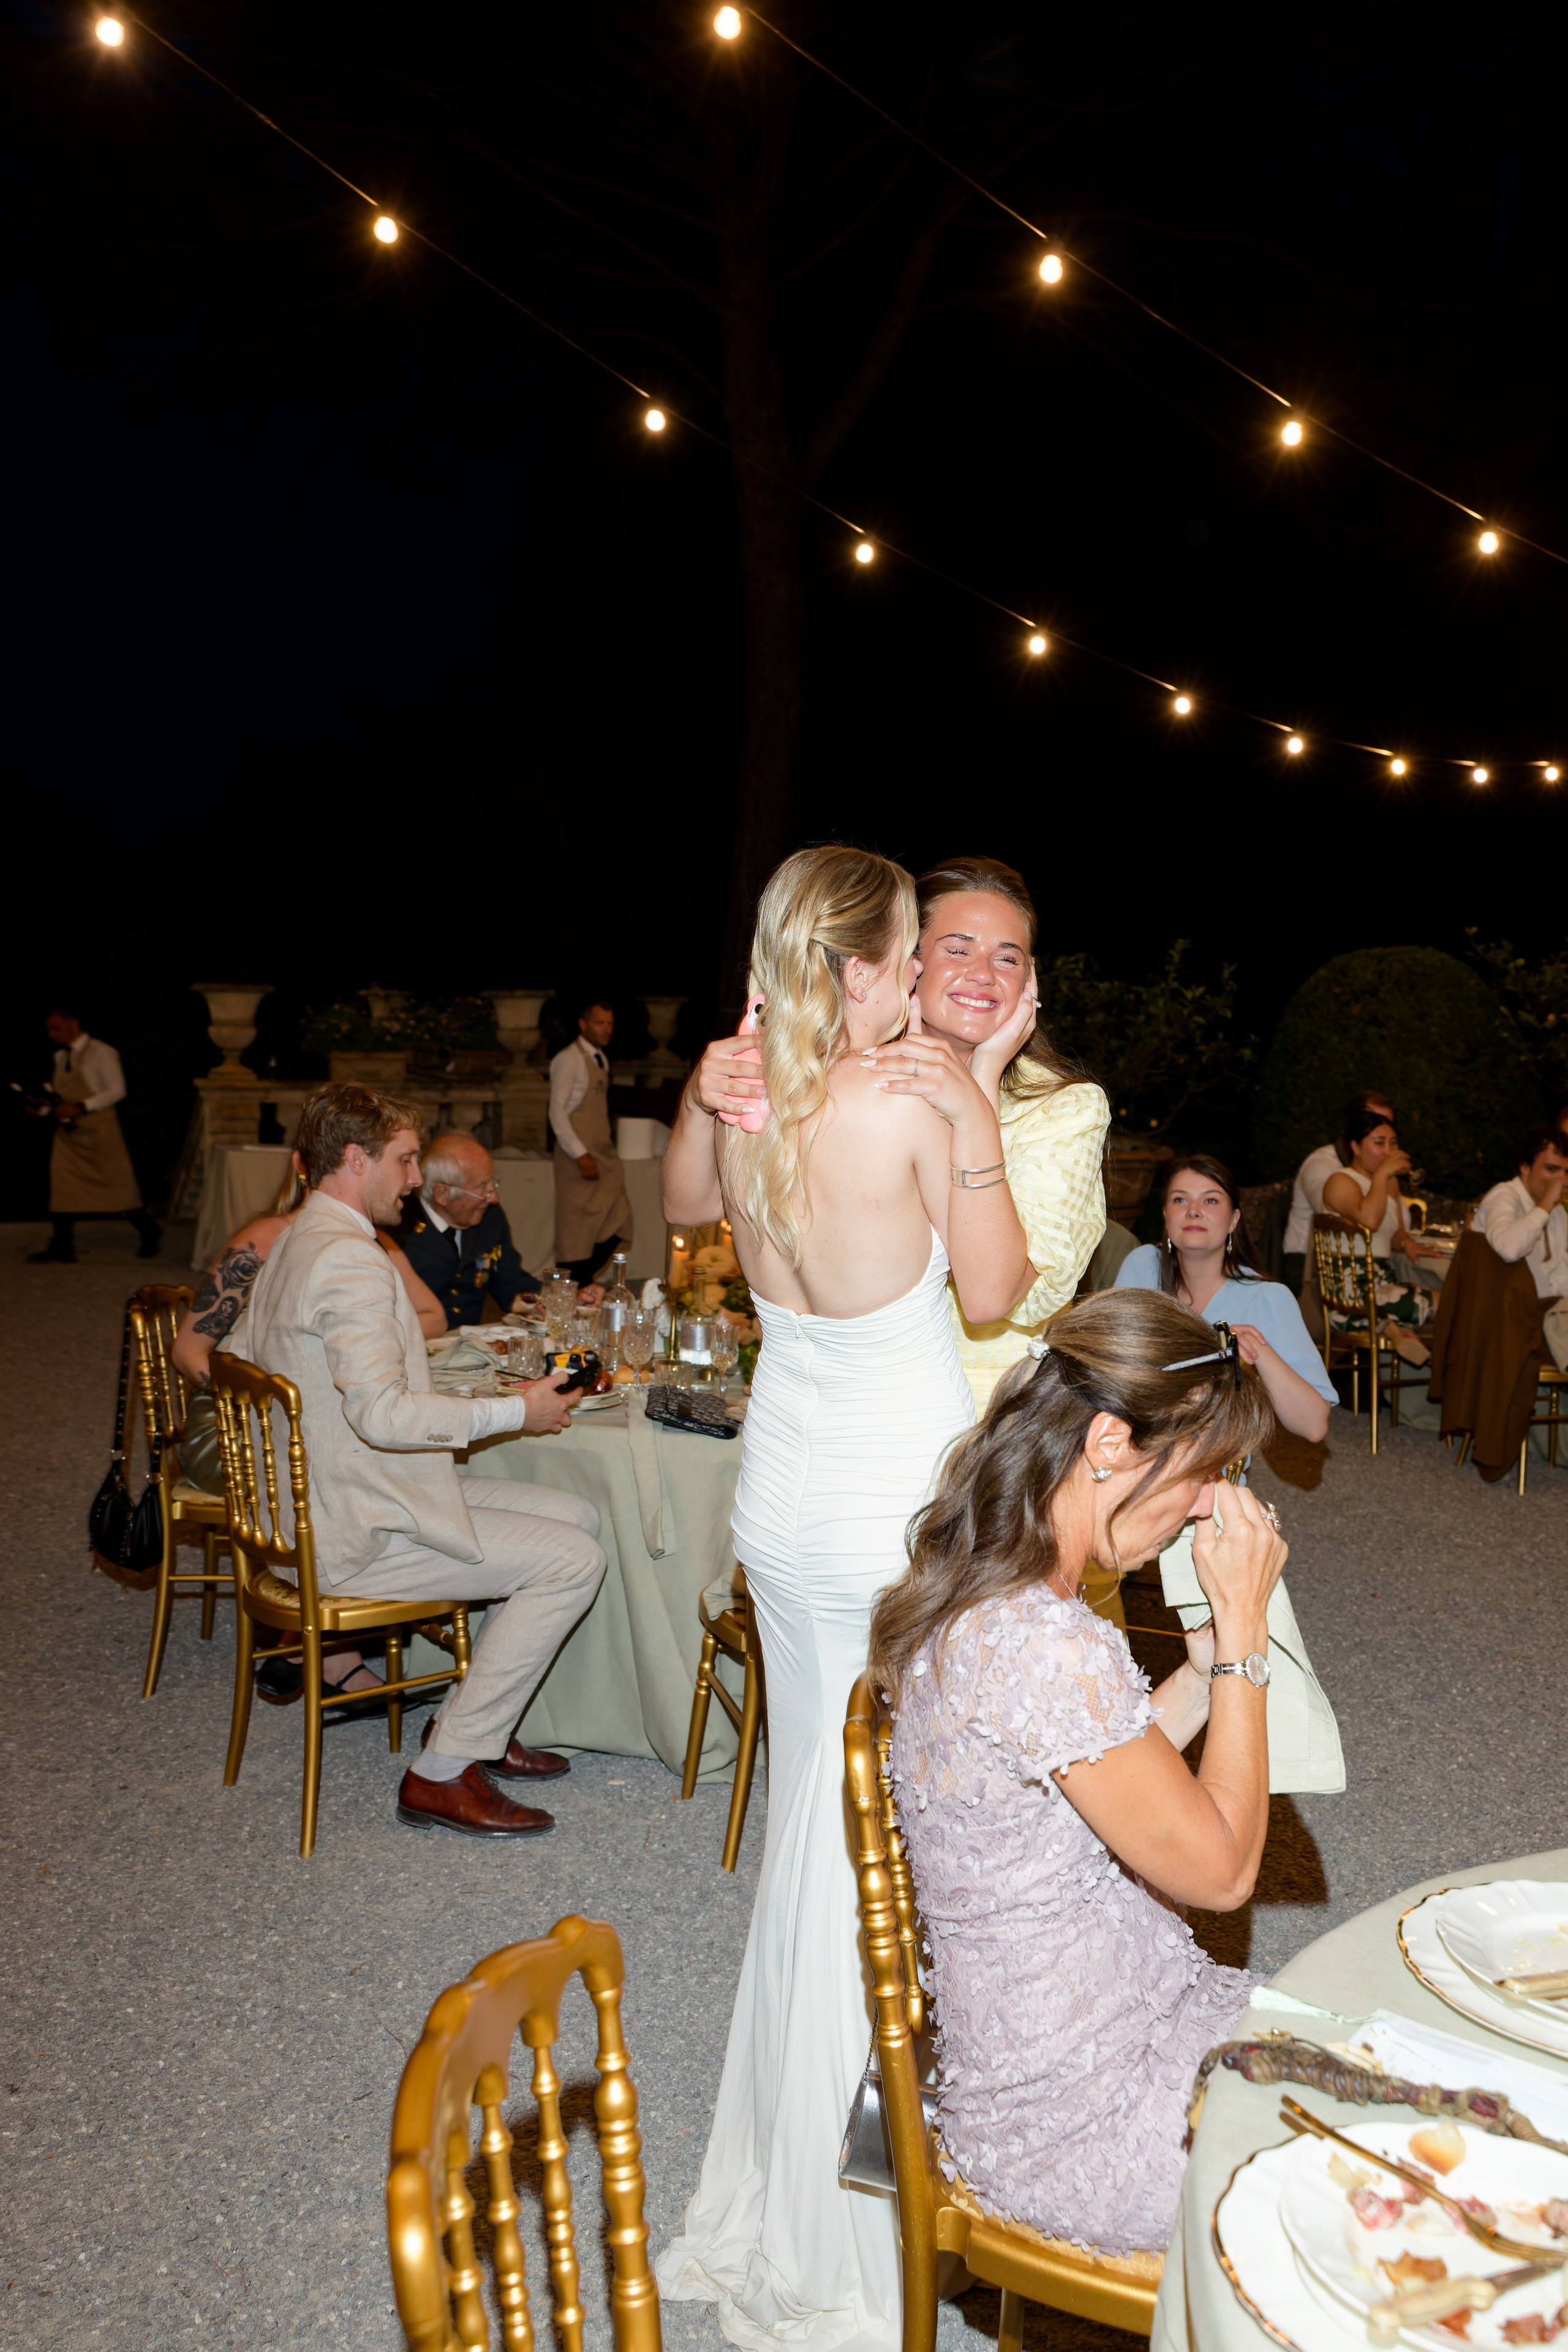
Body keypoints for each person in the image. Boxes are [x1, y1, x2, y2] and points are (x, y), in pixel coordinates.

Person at [656, 845, 1036, 2352]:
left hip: (781, 1510)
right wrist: (979, 1104)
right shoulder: (908, 1099)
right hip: (889, 1508)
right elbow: (998, 1290)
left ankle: (770, 2176)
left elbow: (680, 1206)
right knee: (870, 1840)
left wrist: (702, 1080)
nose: (917, 980)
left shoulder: (748, 1100)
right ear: (863, 965)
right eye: (902, 956)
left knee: (815, 1828)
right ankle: (838, 2234)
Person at [875, 1289, 1283, 2258]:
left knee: (1388, 2059)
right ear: (1109, 1444)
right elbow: (1223, 1873)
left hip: (1099, 2032)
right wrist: (1244, 1644)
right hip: (1078, 2114)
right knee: (1393, 2154)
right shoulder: (1039, 1642)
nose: (1201, 1506)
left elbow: (1098, 1764)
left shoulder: (1001, 1593)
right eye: (1199, 1472)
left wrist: (1196, 1669)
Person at [244, 1082, 608, 1838]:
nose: (415, 1180)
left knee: (577, 1513)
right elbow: (380, 1413)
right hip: (352, 1528)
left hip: (328, 1499)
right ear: (355, 1158)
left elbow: (240, 1356)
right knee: (572, 1560)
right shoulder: (347, 1259)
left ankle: (476, 1715)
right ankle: (442, 1773)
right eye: (406, 1161)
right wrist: (520, 1409)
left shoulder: (293, 1241)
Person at [169, 1153, 448, 1715]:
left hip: (324, 1419)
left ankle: (312, 1644)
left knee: (399, 1455)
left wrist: (352, 1333)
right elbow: (189, 1350)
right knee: (362, 1475)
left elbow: (433, 1317)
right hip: (237, 1427)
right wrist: (269, 1402)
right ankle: (328, 1643)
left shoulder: (370, 1244)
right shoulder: (265, 1239)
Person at [881, 855, 1109, 1414]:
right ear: (909, 962)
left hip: (989, 1418)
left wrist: (978, 1085)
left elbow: (1017, 1298)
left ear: (1029, 981)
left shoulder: (1065, 1109)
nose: (983, 974)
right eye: (957, 950)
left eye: (1006, 959)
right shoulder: (861, 1080)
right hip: (859, 1393)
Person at [1115, 1156, 1335, 1440]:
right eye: (1180, 1200)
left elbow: (1314, 1426)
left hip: (1206, 1469)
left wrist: (1256, 1351)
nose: (1193, 1211)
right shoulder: (1142, 1267)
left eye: (1210, 1201)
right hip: (1130, 1447)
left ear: (1234, 1219)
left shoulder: (1267, 1298)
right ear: (1166, 1215)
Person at [396, 1131, 599, 1329]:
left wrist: (566, 1300)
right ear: (442, 1193)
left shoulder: (489, 1218)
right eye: (482, 1188)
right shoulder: (399, 1228)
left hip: (469, 1350)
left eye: (492, 1185)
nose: (493, 1198)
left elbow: (511, 1284)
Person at [26, 1006, 162, 1264]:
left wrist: (82, 1106)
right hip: (70, 1132)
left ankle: (150, 1230)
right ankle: (62, 1245)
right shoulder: (60, 1058)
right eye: (49, 1029)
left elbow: (117, 1090)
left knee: (119, 1187)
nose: (51, 1034)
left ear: (73, 1025)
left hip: (100, 1130)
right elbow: (61, 1096)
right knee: (62, 1188)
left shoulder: (102, 1052)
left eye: (56, 1028)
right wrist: (44, 1109)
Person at [1319, 1104, 1433, 1360]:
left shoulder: (1389, 1183)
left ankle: (1397, 1330)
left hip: (1384, 1282)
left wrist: (1409, 1244)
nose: (1389, 1151)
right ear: (1355, 1147)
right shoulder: (1341, 1181)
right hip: (1352, 1293)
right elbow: (1369, 1222)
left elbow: (1396, 1234)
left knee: (1454, 1298)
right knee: (1452, 1304)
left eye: (1393, 1144)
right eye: (1379, 1143)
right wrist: (1383, 1175)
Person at [549, 995, 633, 1287]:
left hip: (602, 1157)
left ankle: (581, 1281)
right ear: (583, 1024)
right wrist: (580, 1154)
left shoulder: (601, 1059)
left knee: (620, 1218)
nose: (606, 1029)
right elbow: (557, 1112)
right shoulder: (568, 1059)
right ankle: (572, 1289)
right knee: (575, 1232)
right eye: (600, 1023)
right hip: (577, 1159)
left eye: (610, 1024)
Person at [1280, 1087, 1394, 1297]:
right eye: (1373, 1119)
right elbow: (1336, 1213)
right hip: (1310, 1267)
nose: (1384, 1128)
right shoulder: (1322, 1164)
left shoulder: (1380, 1171)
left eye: (1389, 1123)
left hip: (1364, 1265)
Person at [1473, 1125, 1568, 1299]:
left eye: (1567, 1172)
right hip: (1502, 1310)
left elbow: (1559, 1273)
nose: (1561, 1180)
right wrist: (1546, 1204)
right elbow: (1510, 1249)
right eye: (1552, 1169)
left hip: (1540, 1309)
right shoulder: (1503, 1196)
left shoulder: (1558, 1211)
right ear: (1525, 1168)